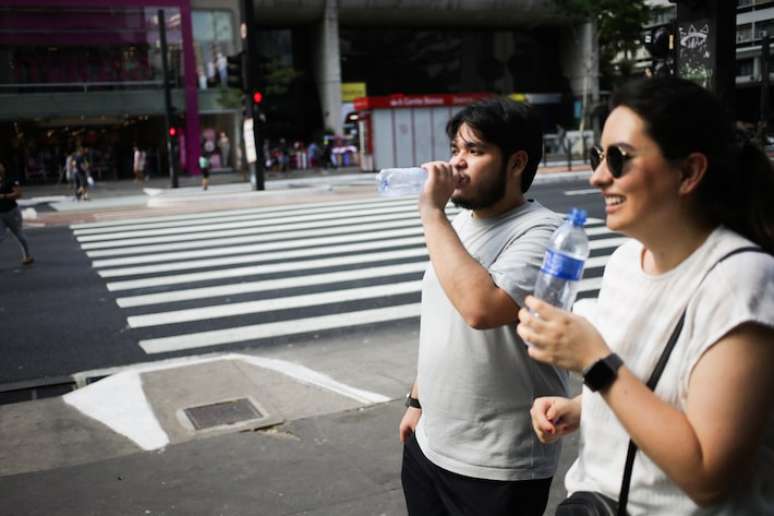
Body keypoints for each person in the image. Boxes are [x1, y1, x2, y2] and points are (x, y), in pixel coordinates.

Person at [518, 77, 774, 515]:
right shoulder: (624, 261)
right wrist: (583, 408)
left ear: (689, 172)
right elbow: (655, 387)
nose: (598, 176)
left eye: (619, 159)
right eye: (598, 157)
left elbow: (708, 477)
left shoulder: (742, 281)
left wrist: (593, 363)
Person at [399, 97, 568, 516]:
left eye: (474, 151)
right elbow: (443, 318)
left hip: (498, 465)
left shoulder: (545, 233)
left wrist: (430, 211)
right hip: (431, 445)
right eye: (456, 150)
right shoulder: (461, 224)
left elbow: (481, 309)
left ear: (516, 163)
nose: (458, 164)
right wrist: (418, 402)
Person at [0, 162, 34, 266]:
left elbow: (19, 194)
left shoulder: (10, 179)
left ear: (3, 168)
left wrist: (4, 196)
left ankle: (27, 256)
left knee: (18, 234)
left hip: (12, 211)